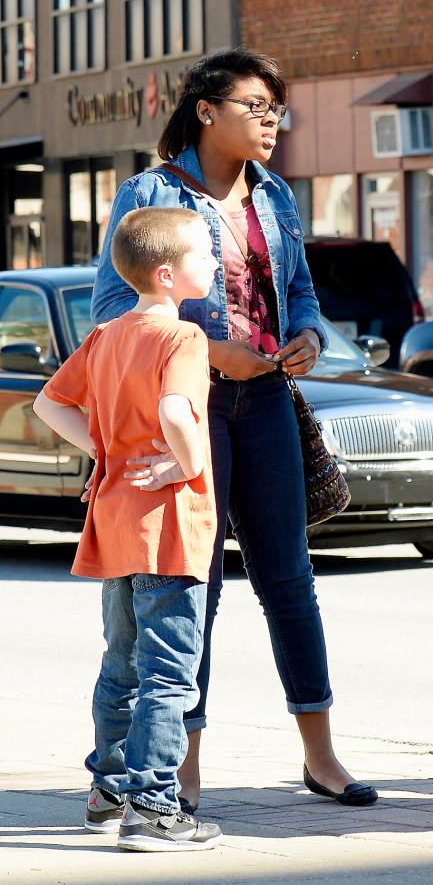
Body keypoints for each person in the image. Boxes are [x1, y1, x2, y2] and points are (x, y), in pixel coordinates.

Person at [91, 48, 377, 810]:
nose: (270, 120)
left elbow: (302, 291)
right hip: (192, 407)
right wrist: (211, 349)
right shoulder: (149, 193)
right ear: (207, 110)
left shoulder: (275, 194)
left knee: (289, 580)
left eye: (277, 109)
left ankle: (321, 757)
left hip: (269, 404)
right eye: (255, 105)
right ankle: (182, 770)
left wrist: (308, 336)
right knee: (197, 584)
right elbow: (111, 311)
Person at [33, 207, 222, 851]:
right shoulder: (184, 339)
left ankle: (108, 788)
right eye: (205, 255)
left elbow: (47, 402)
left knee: (121, 661)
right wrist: (190, 459)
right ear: (169, 275)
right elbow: (175, 407)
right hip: (168, 523)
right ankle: (155, 806)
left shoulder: (109, 334)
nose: (215, 264)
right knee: (170, 670)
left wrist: (105, 448)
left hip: (113, 517)